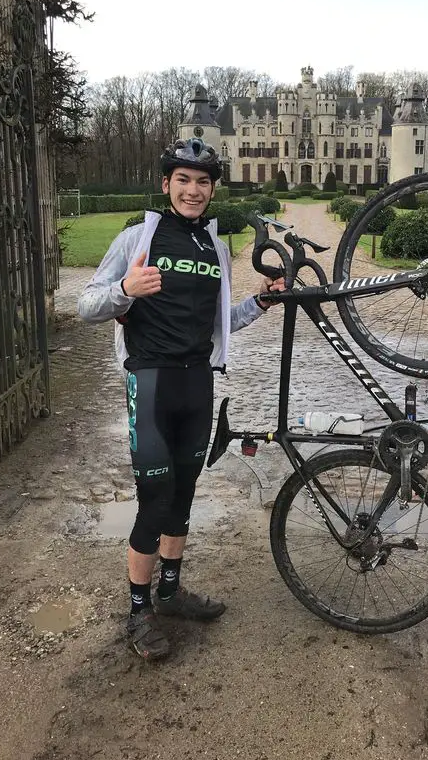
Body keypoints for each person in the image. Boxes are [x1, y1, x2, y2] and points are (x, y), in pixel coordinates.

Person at [77, 138, 284, 660]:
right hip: (150, 382)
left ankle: (170, 592)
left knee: (185, 493)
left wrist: (260, 301)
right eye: (184, 180)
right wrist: (126, 287)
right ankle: (138, 611)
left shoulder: (213, 248)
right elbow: (86, 305)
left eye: (203, 182)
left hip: (197, 384)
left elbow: (222, 323)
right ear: (166, 184)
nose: (194, 191)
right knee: (156, 500)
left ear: (213, 189)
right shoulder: (138, 237)